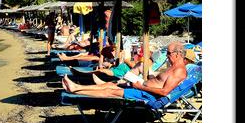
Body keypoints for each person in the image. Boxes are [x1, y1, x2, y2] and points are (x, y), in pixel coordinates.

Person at [61, 42, 194, 100]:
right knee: (110, 85)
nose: (167, 56)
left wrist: (140, 86)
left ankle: (75, 89)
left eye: (169, 53)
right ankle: (76, 87)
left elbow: (165, 92)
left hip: (145, 95)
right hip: (142, 87)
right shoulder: (173, 68)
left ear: (178, 54)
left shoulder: (179, 71)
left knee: (110, 91)